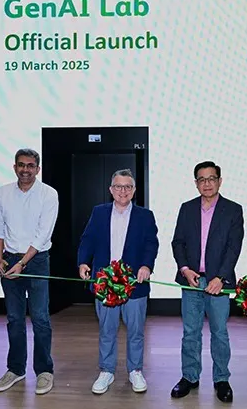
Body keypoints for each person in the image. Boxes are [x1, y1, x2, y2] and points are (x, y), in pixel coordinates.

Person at [77, 169, 159, 395]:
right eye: (118, 186)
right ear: (111, 189)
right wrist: (83, 262)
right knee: (107, 329)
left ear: (134, 190)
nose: (123, 191)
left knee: (136, 331)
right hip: (105, 285)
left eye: (128, 187)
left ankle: (135, 370)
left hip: (135, 284)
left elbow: (151, 244)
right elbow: (88, 240)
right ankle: (107, 370)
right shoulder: (99, 212)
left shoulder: (145, 215)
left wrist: (146, 266)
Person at [170, 161, 243, 403]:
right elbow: (177, 242)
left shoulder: (233, 210)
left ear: (220, 181)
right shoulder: (187, 208)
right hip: (192, 281)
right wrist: (185, 269)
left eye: (212, 178)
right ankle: (189, 377)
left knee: (219, 332)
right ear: (196, 183)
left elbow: (234, 248)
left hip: (218, 284)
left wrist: (220, 277)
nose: (207, 183)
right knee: (190, 332)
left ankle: (221, 379)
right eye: (202, 179)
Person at [0, 148, 60, 395]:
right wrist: (0, 259)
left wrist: (23, 263)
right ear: (14, 167)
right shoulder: (3, 193)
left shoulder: (48, 194)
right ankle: (16, 369)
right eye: (21, 165)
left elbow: (43, 234)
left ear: (37, 169)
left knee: (40, 318)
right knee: (14, 319)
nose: (25, 170)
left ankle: (44, 370)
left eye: (30, 165)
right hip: (9, 260)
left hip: (37, 260)